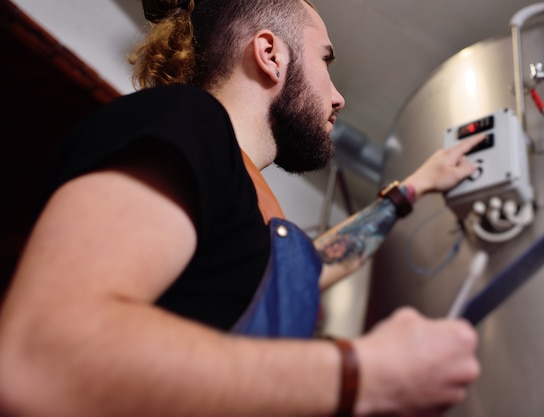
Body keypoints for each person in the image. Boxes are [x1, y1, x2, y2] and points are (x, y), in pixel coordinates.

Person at [0, 0, 485, 415]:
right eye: (326, 61)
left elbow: (313, 267)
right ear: (270, 53)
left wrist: (416, 187)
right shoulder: (188, 119)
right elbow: (39, 359)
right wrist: (360, 375)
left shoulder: (252, 215)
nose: (338, 97)